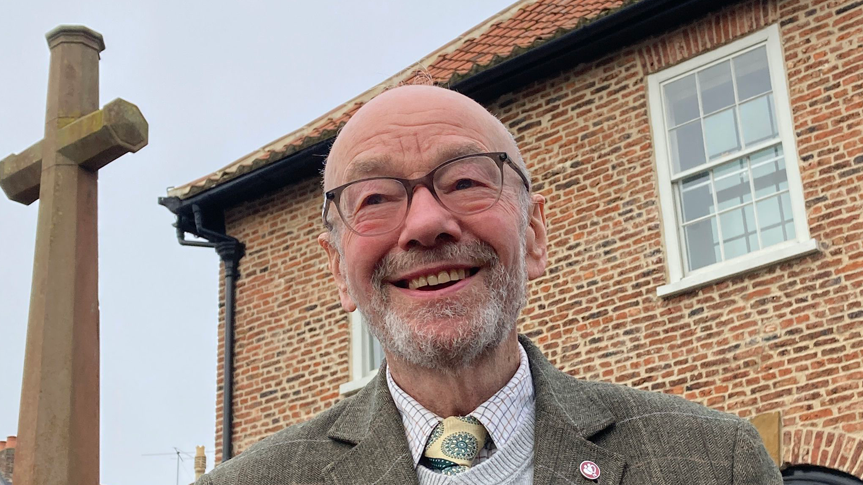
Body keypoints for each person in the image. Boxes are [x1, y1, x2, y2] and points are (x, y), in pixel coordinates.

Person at [196, 85, 782, 484]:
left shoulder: (712, 462)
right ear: (338, 271)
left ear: (533, 236)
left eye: (468, 181)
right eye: (374, 197)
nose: (426, 224)